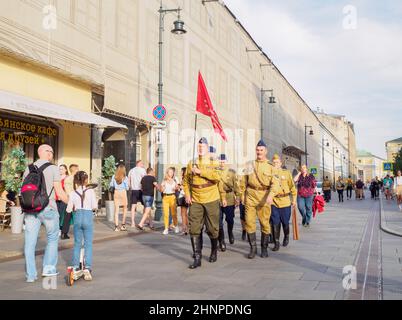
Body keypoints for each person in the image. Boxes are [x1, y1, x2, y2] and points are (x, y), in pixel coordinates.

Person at [23, 144, 68, 282]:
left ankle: (31, 275)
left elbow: (24, 190)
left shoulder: (28, 168)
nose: (52, 154)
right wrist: (71, 203)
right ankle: (48, 269)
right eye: (52, 152)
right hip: (48, 208)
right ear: (47, 153)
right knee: (52, 239)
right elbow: (59, 192)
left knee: (29, 243)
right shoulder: (53, 168)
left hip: (30, 209)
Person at [183, 138, 224, 269]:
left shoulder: (213, 161)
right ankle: (197, 257)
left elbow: (218, 177)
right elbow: (186, 181)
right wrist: (188, 195)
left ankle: (213, 250)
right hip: (195, 199)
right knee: (194, 228)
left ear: (207, 148)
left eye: (203, 147)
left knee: (212, 228)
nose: (200, 149)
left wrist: (201, 172)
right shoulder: (191, 163)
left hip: (211, 198)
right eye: (199, 146)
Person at [239, 140, 280, 259]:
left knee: (264, 223)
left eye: (261, 150)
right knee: (249, 222)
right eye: (257, 150)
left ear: (265, 151)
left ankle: (264, 248)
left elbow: (275, 184)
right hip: (251, 196)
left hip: (264, 197)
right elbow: (243, 181)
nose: (259, 152)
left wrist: (271, 196)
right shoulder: (249, 165)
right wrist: (241, 195)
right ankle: (253, 248)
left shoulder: (271, 167)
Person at [66, 171, 97, 281]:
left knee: (77, 243)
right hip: (88, 216)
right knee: (88, 243)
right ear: (85, 180)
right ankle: (87, 268)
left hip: (78, 216)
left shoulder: (73, 193)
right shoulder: (91, 191)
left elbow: (68, 209)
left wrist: (74, 207)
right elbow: (94, 206)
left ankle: (75, 266)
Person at [270, 154, 297, 251]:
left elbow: (292, 188)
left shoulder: (286, 173)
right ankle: (276, 242)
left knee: (285, 222)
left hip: (285, 201)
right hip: (274, 201)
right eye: (274, 162)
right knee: (275, 222)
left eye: (277, 162)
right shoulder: (270, 173)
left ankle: (286, 236)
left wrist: (294, 199)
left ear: (281, 163)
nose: (276, 164)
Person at [217, 154, 240, 251]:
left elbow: (236, 186)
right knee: (218, 222)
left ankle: (230, 232)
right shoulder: (215, 171)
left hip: (229, 197)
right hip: (217, 198)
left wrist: (238, 197)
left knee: (230, 219)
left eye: (223, 161)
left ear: (226, 162)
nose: (222, 163)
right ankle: (221, 241)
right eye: (220, 161)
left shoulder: (231, 173)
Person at [61, 164, 79, 239]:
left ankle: (64, 233)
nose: (78, 170)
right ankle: (78, 233)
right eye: (77, 169)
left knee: (67, 218)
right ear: (75, 170)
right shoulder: (73, 179)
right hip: (72, 200)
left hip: (68, 200)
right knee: (76, 217)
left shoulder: (68, 178)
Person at [160, 167, 180, 235]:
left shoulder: (174, 180)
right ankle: (166, 228)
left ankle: (176, 225)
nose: (171, 173)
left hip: (172, 197)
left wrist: (176, 188)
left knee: (174, 213)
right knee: (166, 214)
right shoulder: (164, 181)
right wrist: (162, 187)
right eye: (170, 172)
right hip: (165, 197)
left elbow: (178, 188)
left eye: (172, 172)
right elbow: (161, 190)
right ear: (167, 173)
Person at [110, 164, 129, 232]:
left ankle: (116, 227)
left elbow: (111, 185)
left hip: (116, 193)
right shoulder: (125, 177)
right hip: (123, 193)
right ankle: (123, 225)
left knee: (116, 210)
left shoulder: (114, 176)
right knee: (125, 209)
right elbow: (127, 187)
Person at [128, 160, 147, 228]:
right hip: (141, 190)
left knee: (133, 206)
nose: (143, 165)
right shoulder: (142, 170)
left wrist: (130, 187)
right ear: (139, 163)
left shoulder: (131, 170)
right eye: (142, 163)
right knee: (145, 205)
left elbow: (129, 180)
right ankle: (144, 220)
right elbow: (144, 180)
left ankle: (132, 223)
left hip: (134, 190)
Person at [57, 165, 69, 239]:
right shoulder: (57, 177)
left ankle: (62, 230)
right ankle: (57, 229)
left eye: (62, 169)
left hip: (64, 198)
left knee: (62, 215)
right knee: (57, 214)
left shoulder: (67, 178)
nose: (60, 170)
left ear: (65, 170)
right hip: (56, 198)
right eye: (59, 169)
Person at [177, 167, 189, 235]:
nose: (181, 172)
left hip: (184, 196)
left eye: (181, 171)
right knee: (185, 214)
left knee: (183, 214)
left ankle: (184, 229)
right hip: (185, 196)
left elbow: (186, 187)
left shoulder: (185, 179)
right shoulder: (185, 178)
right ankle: (187, 228)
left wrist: (181, 187)